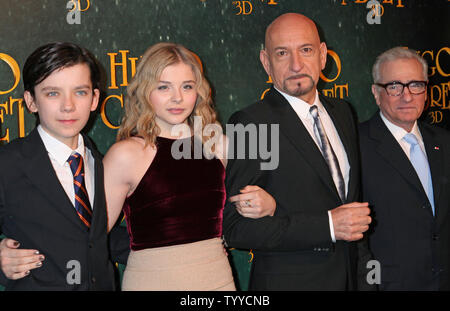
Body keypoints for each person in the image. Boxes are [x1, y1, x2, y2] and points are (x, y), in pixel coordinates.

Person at [103, 42, 275, 291]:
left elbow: (243, 216)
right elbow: (89, 234)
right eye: (164, 87)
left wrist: (269, 205)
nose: (177, 98)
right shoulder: (126, 155)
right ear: (145, 91)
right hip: (151, 282)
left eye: (187, 86)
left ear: (199, 91)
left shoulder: (219, 145)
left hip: (218, 281)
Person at [223, 13, 373, 290]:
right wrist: (327, 226)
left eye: (306, 50)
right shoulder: (252, 123)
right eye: (282, 53)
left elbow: (352, 211)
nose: (296, 64)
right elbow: (237, 229)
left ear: (323, 55)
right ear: (266, 62)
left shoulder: (342, 112)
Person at [0, 42, 129, 290]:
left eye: (79, 92)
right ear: (31, 101)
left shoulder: (103, 162)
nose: (68, 105)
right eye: (52, 93)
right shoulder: (8, 165)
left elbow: (100, 239)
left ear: (94, 99)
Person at [359, 47, 450, 290]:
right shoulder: (356, 146)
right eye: (394, 86)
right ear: (377, 93)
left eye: (415, 85)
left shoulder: (444, 141)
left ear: (426, 91)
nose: (407, 96)